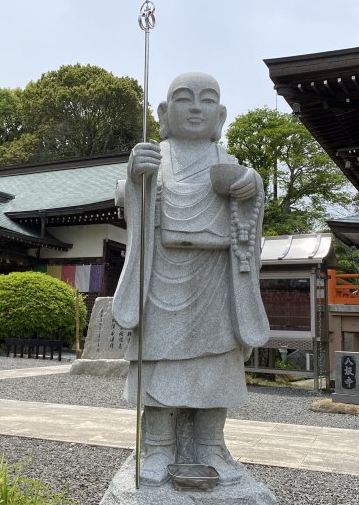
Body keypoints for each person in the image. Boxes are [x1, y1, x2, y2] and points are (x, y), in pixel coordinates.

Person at [112, 72, 270, 486]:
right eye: (184, 99)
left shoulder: (227, 162)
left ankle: (211, 445)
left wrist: (252, 189)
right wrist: (135, 179)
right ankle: (158, 445)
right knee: (160, 361)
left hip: (217, 279)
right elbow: (128, 200)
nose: (196, 107)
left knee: (217, 361)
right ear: (165, 112)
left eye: (207, 100)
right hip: (161, 272)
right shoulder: (153, 157)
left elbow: (248, 219)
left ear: (220, 114)